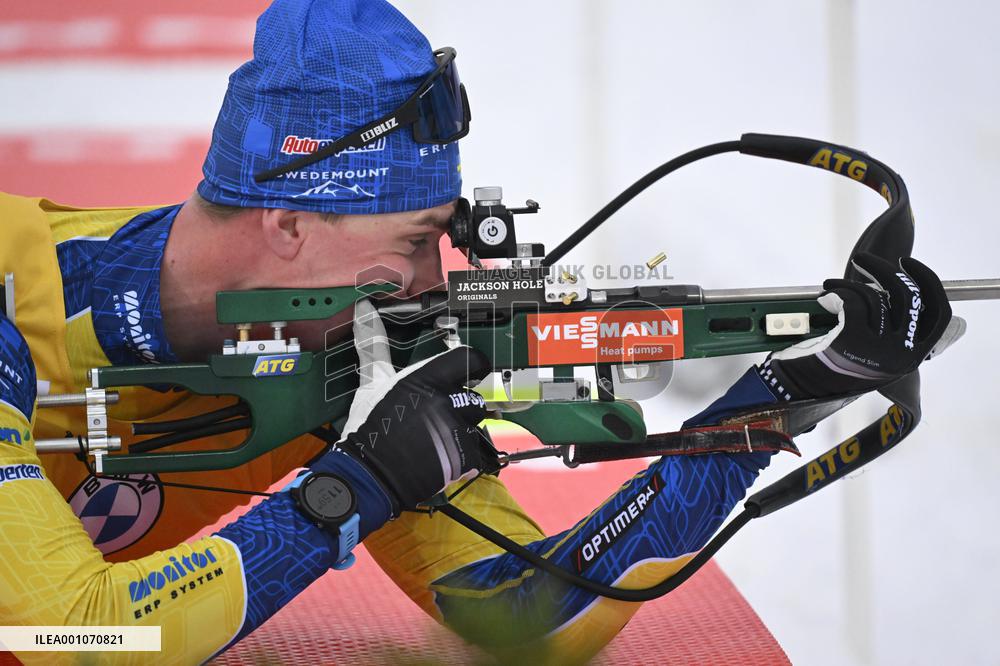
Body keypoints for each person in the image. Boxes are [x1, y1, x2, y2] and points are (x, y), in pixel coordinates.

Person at [0, 0, 953, 663]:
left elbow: (523, 616)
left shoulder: (339, 353)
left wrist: (793, 392)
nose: (430, 282)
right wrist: (342, 497)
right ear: (287, 225)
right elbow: (78, 640)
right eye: (413, 243)